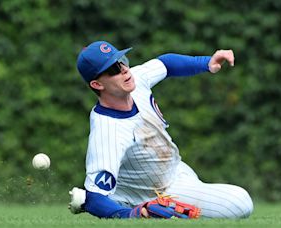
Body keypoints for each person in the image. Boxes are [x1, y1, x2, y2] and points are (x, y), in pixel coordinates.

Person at [68, 40, 253, 219]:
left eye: (122, 61)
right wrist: (132, 215)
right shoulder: (107, 131)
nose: (124, 70)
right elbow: (95, 197)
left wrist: (206, 62)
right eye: (113, 69)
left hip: (177, 171)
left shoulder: (135, 79)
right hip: (154, 194)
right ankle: (126, 204)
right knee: (240, 202)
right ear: (97, 84)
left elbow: (166, 63)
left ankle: (119, 200)